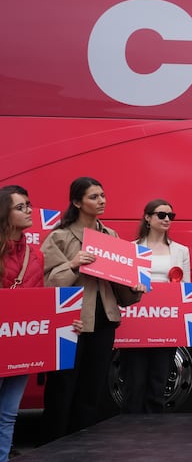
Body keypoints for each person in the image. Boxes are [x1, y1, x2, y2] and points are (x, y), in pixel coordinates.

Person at [40, 177, 144, 443]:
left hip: (104, 320)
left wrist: (133, 287)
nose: (101, 201)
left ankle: (81, 443)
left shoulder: (111, 236)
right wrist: (73, 264)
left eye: (103, 195)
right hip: (69, 323)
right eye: (94, 197)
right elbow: (46, 283)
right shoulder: (59, 237)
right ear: (77, 202)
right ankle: (54, 442)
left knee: (93, 387)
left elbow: (122, 294)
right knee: (62, 386)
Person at [119, 199, 190, 413]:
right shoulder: (131, 248)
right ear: (148, 218)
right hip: (137, 321)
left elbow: (185, 289)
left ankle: (154, 432)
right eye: (161, 215)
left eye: (171, 215)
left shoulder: (180, 251)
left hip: (165, 322)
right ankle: (130, 429)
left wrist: (190, 326)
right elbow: (122, 287)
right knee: (134, 381)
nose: (167, 219)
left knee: (159, 381)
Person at [0, 186, 45, 461]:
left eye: (29, 205)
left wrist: (63, 323)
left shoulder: (36, 255)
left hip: (22, 345)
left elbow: (40, 303)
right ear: (5, 213)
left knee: (8, 414)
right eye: (21, 207)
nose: (28, 211)